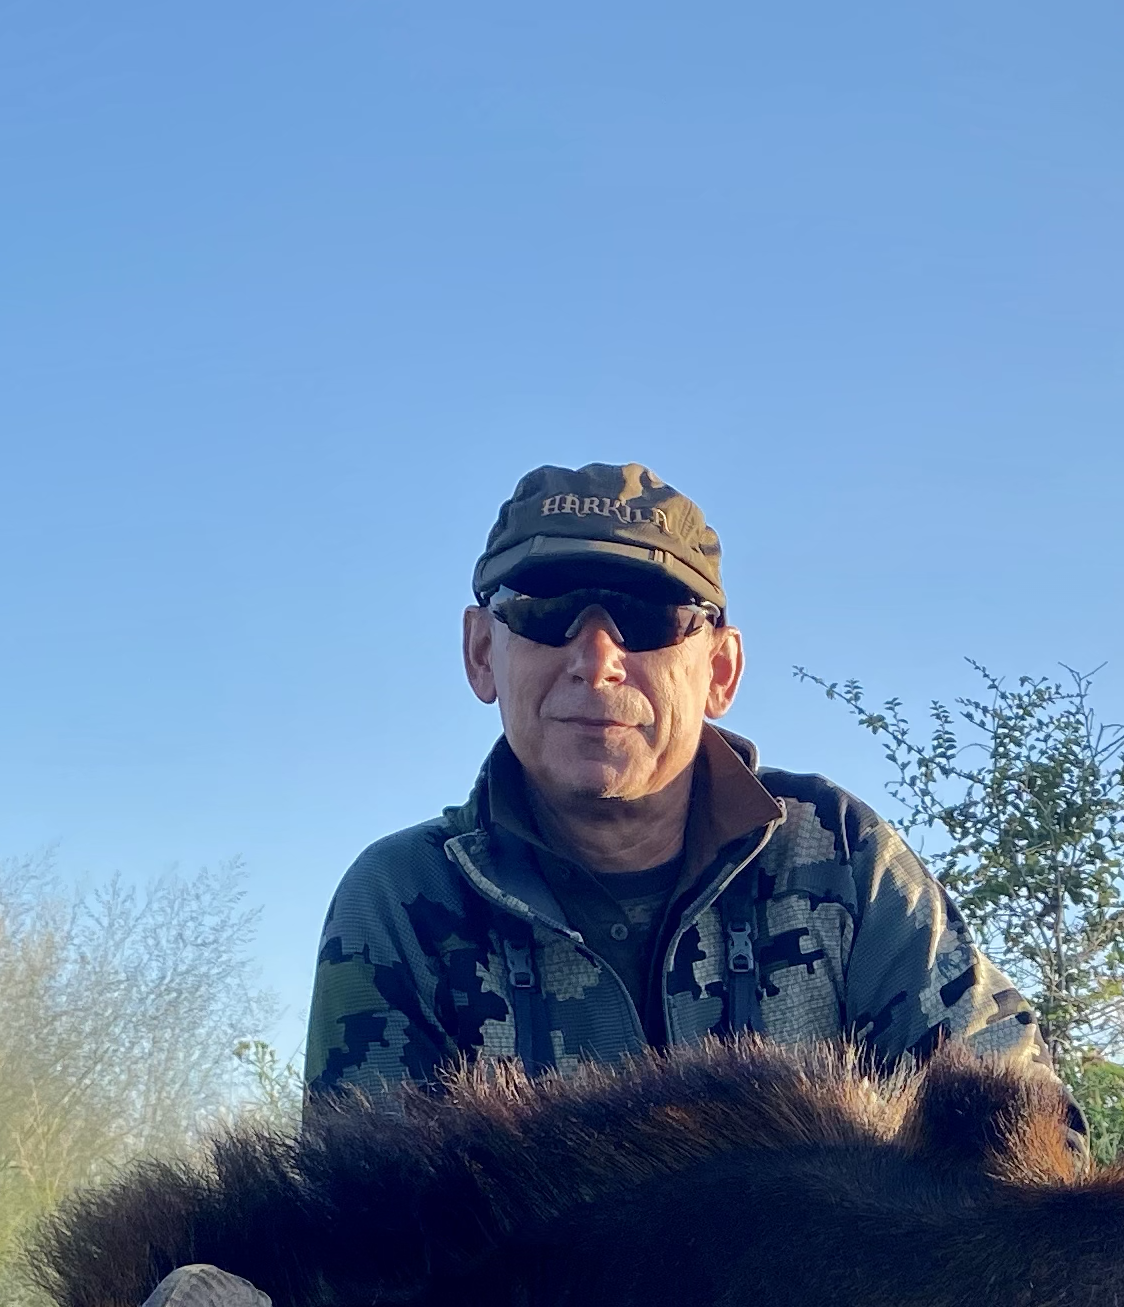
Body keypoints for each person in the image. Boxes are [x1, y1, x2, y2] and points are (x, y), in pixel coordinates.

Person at [304, 462, 1028, 1103]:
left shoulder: (844, 855)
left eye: (649, 617)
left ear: (720, 670)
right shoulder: (400, 899)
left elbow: (1019, 1139)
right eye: (545, 608)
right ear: (481, 652)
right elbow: (365, 1237)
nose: (596, 660)